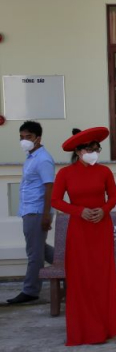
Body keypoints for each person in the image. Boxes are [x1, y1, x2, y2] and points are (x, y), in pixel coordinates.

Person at [51, 128, 116, 346]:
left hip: (101, 227)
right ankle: (85, 329)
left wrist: (104, 209)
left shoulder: (104, 171)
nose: (94, 153)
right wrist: (78, 211)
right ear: (78, 151)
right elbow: (55, 200)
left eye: (97, 149)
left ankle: (107, 326)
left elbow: (113, 195)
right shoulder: (65, 174)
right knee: (81, 278)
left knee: (102, 277)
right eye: (90, 149)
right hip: (79, 230)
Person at [7, 121, 55, 304]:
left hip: (37, 211)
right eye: (21, 137)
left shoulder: (43, 159)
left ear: (38, 138)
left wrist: (45, 215)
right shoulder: (31, 157)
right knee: (40, 248)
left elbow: (49, 186)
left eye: (28, 137)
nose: (24, 140)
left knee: (34, 253)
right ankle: (71, 268)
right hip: (29, 210)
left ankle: (31, 290)